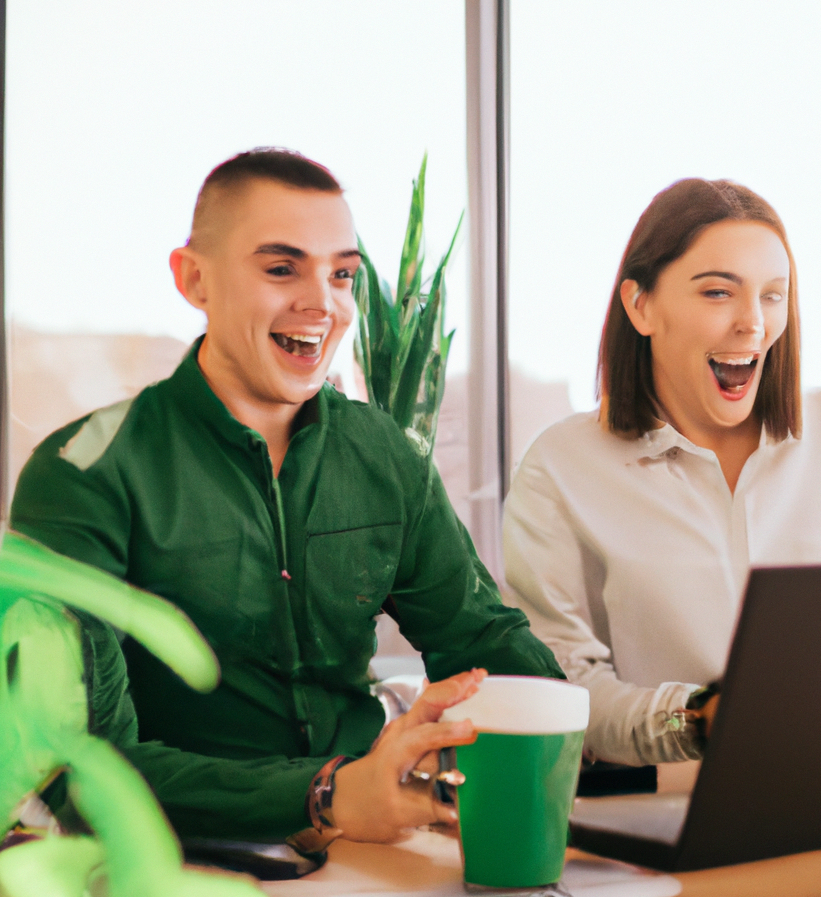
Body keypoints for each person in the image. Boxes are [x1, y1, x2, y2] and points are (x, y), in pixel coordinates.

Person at [11, 148, 562, 844]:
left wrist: (552, 724)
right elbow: (82, 770)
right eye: (281, 269)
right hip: (175, 863)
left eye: (341, 275)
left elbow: (482, 641)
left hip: (370, 848)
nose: (321, 304)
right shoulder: (82, 474)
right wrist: (327, 793)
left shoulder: (384, 453)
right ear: (194, 279)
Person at [502, 177, 821, 768]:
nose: (752, 323)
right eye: (717, 293)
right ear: (641, 305)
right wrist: (696, 718)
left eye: (773, 295)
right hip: (667, 808)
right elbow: (560, 687)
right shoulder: (559, 467)